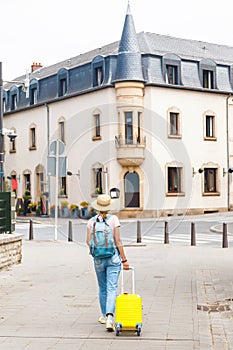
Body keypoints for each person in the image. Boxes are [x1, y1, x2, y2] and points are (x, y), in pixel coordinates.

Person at [86, 194, 129, 332]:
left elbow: (88, 241)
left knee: (102, 287)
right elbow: (118, 241)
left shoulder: (91, 222)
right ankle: (110, 318)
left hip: (98, 259)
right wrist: (125, 260)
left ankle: (104, 315)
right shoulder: (114, 219)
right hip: (113, 258)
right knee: (112, 288)